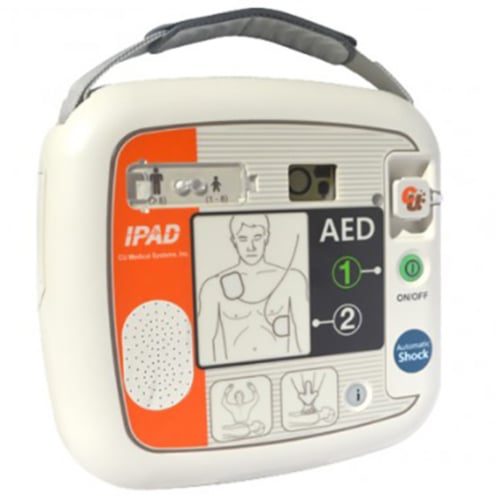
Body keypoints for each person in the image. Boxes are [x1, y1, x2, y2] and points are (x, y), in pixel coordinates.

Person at [198, 214, 309, 365]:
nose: (251, 247)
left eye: (257, 237)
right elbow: (205, 343)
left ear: (266, 238)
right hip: (234, 372)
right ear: (234, 241)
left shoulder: (292, 279)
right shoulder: (213, 287)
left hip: (281, 368)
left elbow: (303, 333)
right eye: (243, 239)